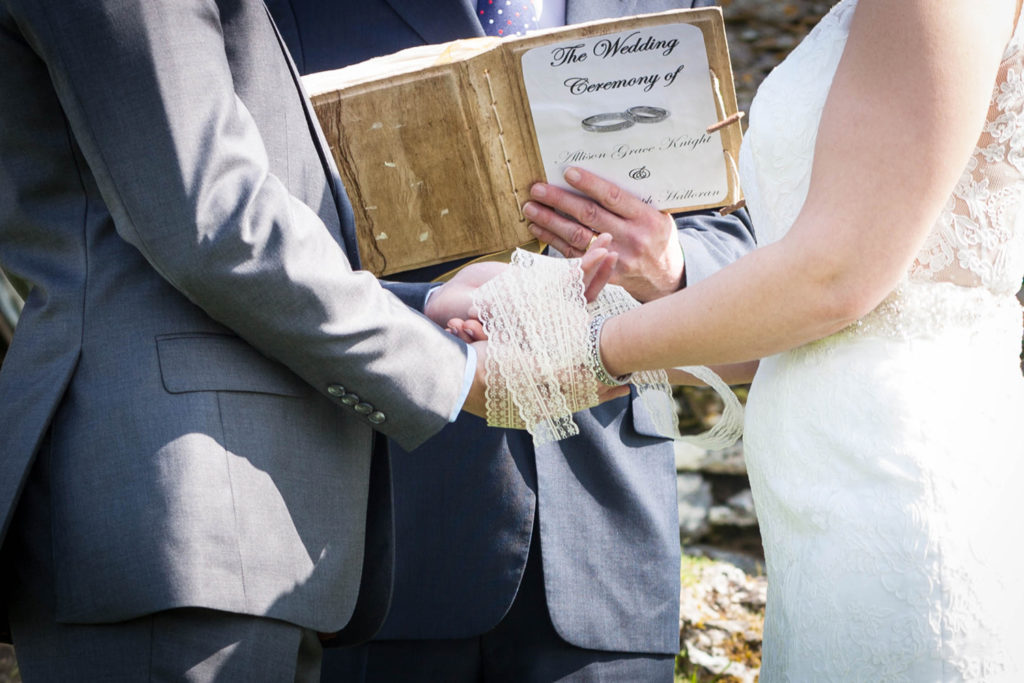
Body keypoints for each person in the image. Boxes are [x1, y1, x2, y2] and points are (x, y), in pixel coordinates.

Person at [0, 0, 619, 678]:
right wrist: (457, 371)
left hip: (234, 532)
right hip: (178, 513)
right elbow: (210, 219)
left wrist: (430, 304)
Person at [520, 0, 1024, 679]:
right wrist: (664, 284)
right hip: (823, 511)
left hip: (902, 489)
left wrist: (587, 347)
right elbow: (779, 332)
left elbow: (834, 275)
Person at [265, 0, 755, 680]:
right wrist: (426, 307)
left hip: (608, 550)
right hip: (387, 533)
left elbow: (744, 239)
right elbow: (258, 238)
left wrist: (670, 267)